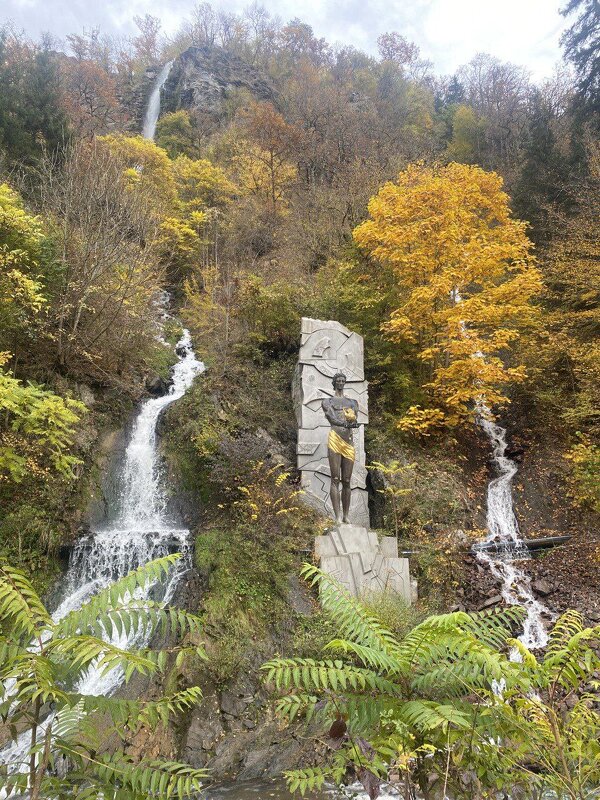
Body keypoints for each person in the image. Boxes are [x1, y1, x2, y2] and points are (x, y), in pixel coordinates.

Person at [321, 372, 359, 524]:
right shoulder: (328, 401)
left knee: (347, 480)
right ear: (334, 382)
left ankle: (346, 516)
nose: (341, 383)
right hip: (335, 439)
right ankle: (337, 516)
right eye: (338, 380)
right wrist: (345, 423)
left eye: (343, 380)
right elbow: (332, 418)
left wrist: (352, 422)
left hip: (348, 441)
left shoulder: (353, 402)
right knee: (335, 478)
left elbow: (354, 419)